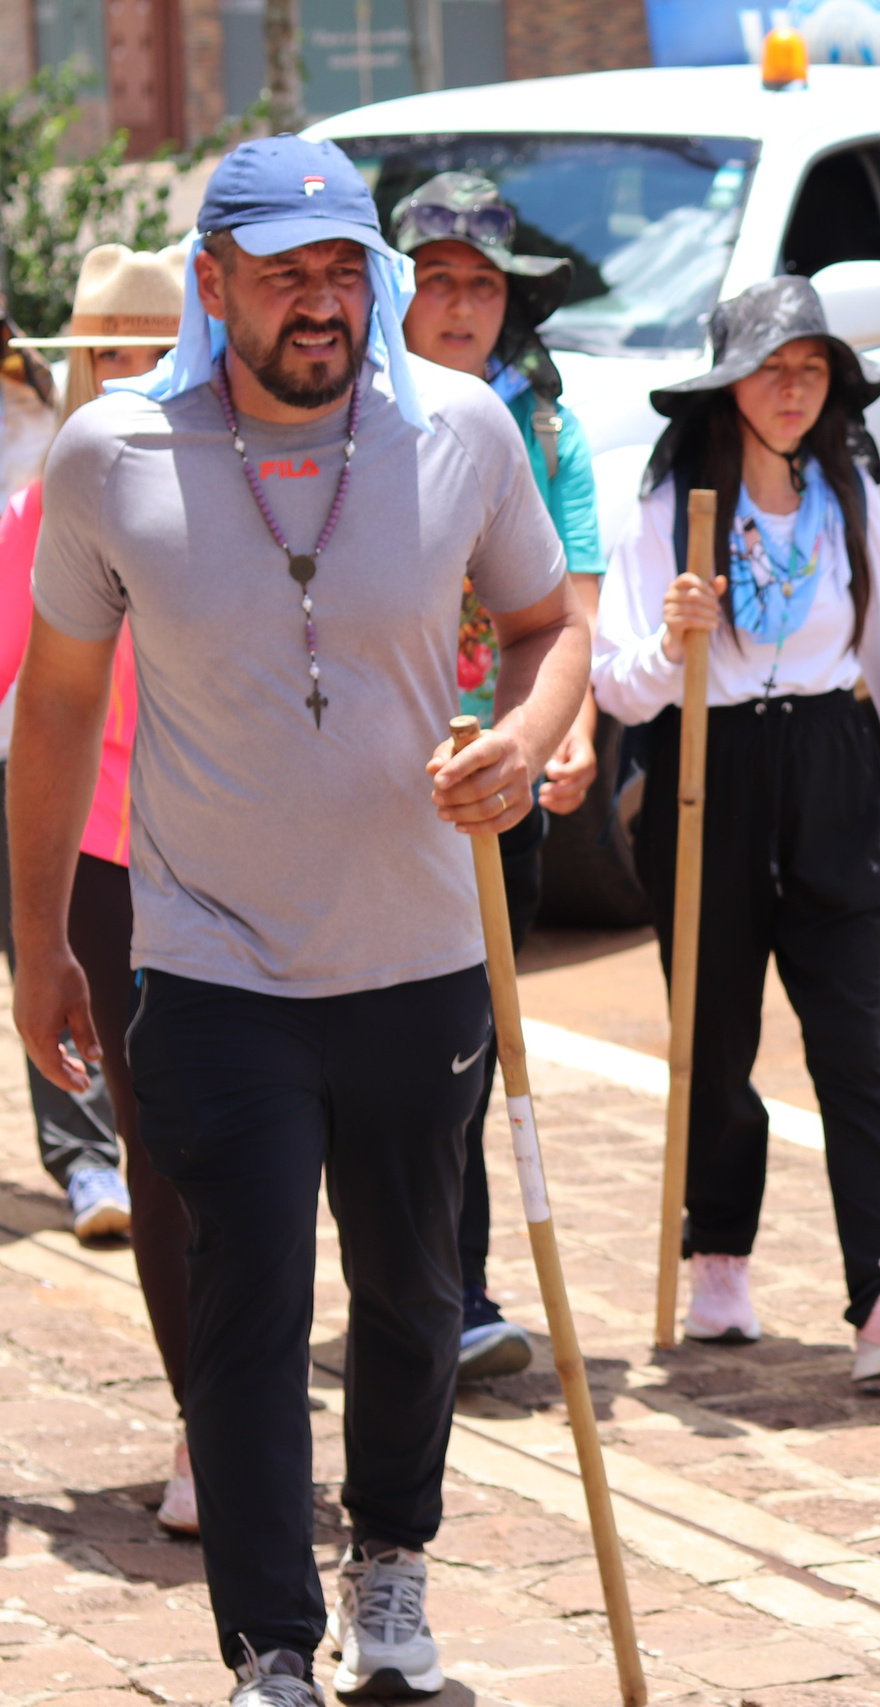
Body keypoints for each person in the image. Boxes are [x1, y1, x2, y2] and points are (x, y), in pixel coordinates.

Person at [10, 136, 587, 1707]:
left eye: (345, 274)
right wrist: (42, 938)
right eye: (286, 277)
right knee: (248, 1304)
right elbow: (55, 708)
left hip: (419, 959)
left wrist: (524, 747)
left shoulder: (460, 429)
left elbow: (549, 627)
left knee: (410, 1293)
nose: (323, 307)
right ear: (214, 286)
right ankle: (269, 1640)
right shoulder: (110, 455)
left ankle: (390, 1560)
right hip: (209, 963)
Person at [593, 274, 880, 1382]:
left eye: (812, 370)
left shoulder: (849, 492)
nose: (793, 390)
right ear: (731, 384)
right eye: (773, 368)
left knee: (853, 1033)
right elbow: (618, 687)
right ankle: (717, 1252)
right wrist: (672, 642)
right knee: (715, 1033)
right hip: (705, 769)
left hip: (825, 767)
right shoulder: (671, 501)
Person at [391, 171, 605, 1385]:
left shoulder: (544, 425)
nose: (462, 307)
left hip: (492, 768)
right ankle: (408, 1275)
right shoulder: (349, 413)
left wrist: (559, 730)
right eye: (437, 282)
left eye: (483, 286)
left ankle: (457, 1288)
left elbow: (570, 593)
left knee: (473, 1033)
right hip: (370, 772)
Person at [0, 242, 199, 1531]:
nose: (122, 380)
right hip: (113, 870)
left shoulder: (247, 487)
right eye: (103, 359)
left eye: (145, 354)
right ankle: (210, 1418)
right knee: (169, 1157)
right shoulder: (40, 514)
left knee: (277, 1158)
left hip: (258, 865)